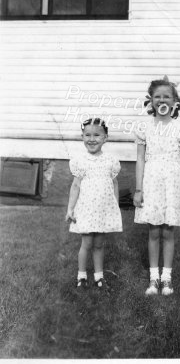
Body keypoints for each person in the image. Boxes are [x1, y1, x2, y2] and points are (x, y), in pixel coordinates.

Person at [133, 76, 180, 296]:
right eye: (157, 97)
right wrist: (138, 189)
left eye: (167, 96)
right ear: (151, 101)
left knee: (168, 231)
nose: (162, 100)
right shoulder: (144, 128)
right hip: (152, 182)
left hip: (173, 182)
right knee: (154, 231)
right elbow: (140, 160)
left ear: (175, 102)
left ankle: (167, 279)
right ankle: (153, 279)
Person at [66, 117, 122, 289]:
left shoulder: (111, 161)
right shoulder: (80, 161)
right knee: (87, 244)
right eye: (87, 135)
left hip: (103, 210)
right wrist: (70, 208)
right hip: (86, 210)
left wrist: (115, 207)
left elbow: (114, 184)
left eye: (97, 135)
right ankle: (81, 276)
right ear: (82, 137)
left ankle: (99, 277)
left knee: (99, 244)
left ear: (105, 137)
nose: (92, 139)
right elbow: (75, 186)